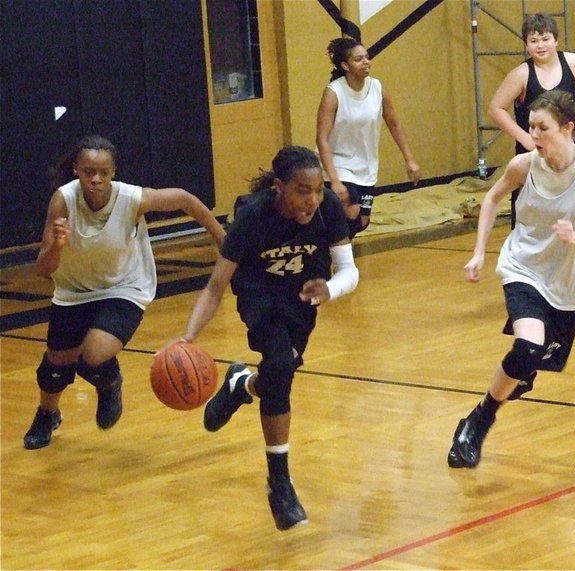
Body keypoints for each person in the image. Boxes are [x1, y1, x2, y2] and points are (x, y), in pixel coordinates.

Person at [179, 146, 359, 530]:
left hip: (302, 298)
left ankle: (241, 384)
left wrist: (331, 289)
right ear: (279, 187)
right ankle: (280, 482)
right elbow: (215, 286)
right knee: (279, 366)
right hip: (259, 294)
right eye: (301, 190)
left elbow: (349, 271)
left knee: (277, 374)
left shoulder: (327, 207)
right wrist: (189, 337)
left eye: (316, 189)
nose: (311, 199)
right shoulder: (252, 217)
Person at [447, 90, 575, 470]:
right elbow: (492, 199)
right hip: (522, 268)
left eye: (543, 128)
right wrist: (479, 251)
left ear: (569, 128)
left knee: (530, 363)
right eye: (530, 127)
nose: (534, 134)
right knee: (527, 348)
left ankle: (518, 376)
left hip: (569, 283)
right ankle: (478, 421)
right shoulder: (524, 165)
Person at [23, 134, 226, 450]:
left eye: (103, 173)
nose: (96, 179)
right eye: (89, 171)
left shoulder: (132, 199)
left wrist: (222, 238)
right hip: (73, 291)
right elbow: (43, 268)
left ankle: (110, 381)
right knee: (55, 366)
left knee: (91, 356)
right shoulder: (63, 200)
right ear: (76, 169)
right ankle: (46, 414)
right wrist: (57, 246)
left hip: (124, 288)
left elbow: (186, 199)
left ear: (113, 173)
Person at [488, 12, 575, 228]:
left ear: (556, 40)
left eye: (545, 39)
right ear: (526, 45)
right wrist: (523, 136)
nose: (540, 45)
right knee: (532, 221)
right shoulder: (521, 74)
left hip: (570, 155)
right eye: (533, 41)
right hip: (535, 157)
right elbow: (496, 108)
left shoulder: (573, 63)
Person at [316, 37, 421, 239]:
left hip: (366, 166)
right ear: (345, 65)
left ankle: (330, 250)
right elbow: (322, 139)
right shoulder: (334, 93)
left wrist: (409, 159)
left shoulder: (377, 88)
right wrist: (335, 180)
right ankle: (333, 260)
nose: (366, 62)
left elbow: (394, 124)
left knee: (361, 222)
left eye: (367, 57)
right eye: (358, 59)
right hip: (338, 164)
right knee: (352, 211)